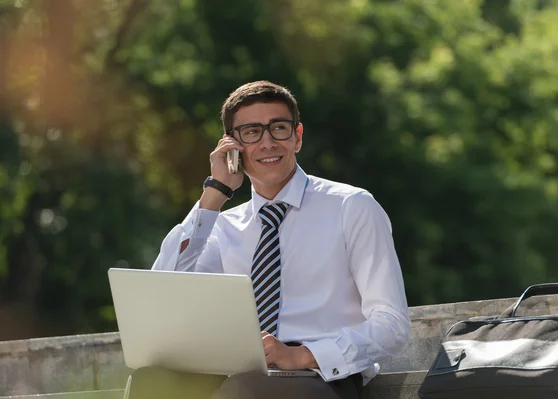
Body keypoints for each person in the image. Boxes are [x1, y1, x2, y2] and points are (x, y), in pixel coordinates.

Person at [126, 81, 411, 399]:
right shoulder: (222, 226)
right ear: (231, 146)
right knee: (151, 381)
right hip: (239, 377)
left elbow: (392, 324)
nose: (267, 143)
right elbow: (165, 294)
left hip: (321, 379)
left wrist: (303, 355)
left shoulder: (351, 206)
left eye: (278, 128)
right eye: (251, 132)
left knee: (245, 388)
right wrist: (215, 193)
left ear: (297, 137)